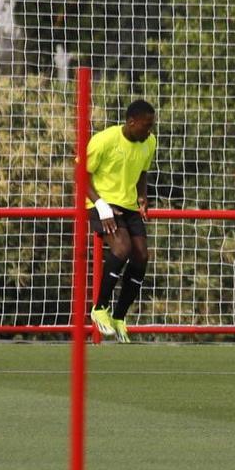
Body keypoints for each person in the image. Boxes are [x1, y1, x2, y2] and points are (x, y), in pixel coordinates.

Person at [86, 100, 158, 344]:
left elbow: (142, 172)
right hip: (101, 203)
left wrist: (142, 195)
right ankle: (99, 308)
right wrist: (101, 205)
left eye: (152, 126)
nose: (149, 131)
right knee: (122, 248)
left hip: (128, 206)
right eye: (146, 126)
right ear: (131, 122)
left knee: (141, 257)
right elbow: (80, 175)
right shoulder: (104, 141)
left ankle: (119, 317)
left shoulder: (149, 142)